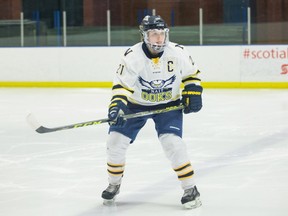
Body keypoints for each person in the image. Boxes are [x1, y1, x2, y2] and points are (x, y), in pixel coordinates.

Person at [101, 15, 203, 209]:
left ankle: (190, 189)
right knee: (114, 142)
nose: (159, 39)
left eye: (162, 34)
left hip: (168, 106)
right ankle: (113, 184)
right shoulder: (132, 56)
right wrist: (117, 106)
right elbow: (121, 86)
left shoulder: (178, 52)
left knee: (173, 144)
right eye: (154, 34)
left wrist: (193, 91)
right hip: (135, 105)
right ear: (144, 36)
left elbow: (192, 74)